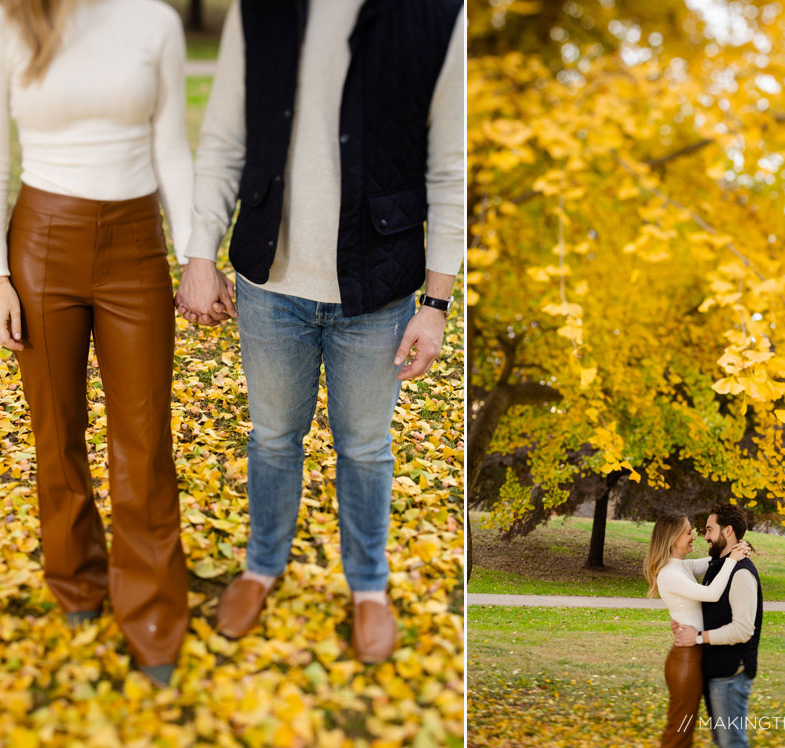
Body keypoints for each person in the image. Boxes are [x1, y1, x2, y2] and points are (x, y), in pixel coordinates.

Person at [174, 0, 464, 663]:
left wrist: (437, 302)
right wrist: (198, 253)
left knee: (365, 449)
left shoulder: (439, 15)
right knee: (273, 439)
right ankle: (261, 568)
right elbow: (223, 138)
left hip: (378, 291)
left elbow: (450, 168)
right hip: (270, 287)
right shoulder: (262, 10)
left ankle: (367, 588)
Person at [0, 0, 196, 686]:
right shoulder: (2, 26)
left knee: (144, 436)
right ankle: (75, 582)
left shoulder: (155, 21)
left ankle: (152, 613)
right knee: (56, 429)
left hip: (135, 248)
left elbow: (171, 145)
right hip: (40, 243)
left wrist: (194, 256)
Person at [644, 514, 751, 747]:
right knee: (679, 732)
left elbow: (714, 561)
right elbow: (712, 593)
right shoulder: (669, 574)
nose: (695, 537)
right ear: (673, 539)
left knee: (684, 730)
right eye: (689, 532)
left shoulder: (681, 566)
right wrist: (733, 559)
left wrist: (736, 547)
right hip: (686, 660)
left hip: (692, 656)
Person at [673, 504, 763, 748]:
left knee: (731, 743)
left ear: (729, 531)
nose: (705, 536)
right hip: (716, 673)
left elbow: (743, 629)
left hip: (731, 677)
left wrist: (699, 637)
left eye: (710, 530)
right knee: (722, 742)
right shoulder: (720, 566)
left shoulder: (741, 573)